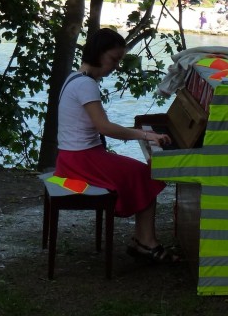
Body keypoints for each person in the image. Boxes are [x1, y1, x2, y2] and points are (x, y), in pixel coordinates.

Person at [54, 28, 177, 263]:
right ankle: (145, 243)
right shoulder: (86, 85)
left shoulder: (74, 78)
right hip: (81, 161)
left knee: (141, 173)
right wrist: (146, 135)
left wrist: (142, 134)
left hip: (71, 159)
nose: (116, 66)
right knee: (146, 174)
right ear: (99, 54)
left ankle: (143, 240)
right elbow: (105, 128)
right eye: (114, 59)